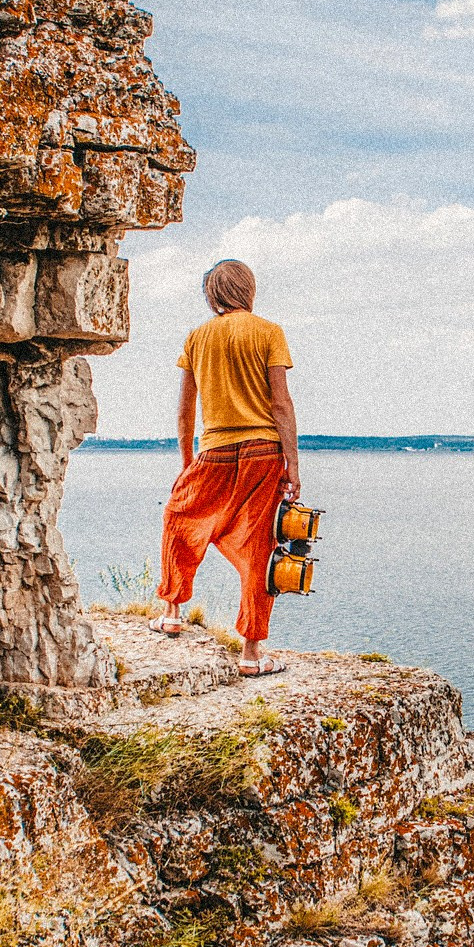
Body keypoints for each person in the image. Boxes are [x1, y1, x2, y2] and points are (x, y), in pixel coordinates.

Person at [151, 259, 299, 678]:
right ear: (248, 290)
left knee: (179, 518)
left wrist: (186, 462)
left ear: (212, 295)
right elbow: (281, 404)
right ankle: (251, 655)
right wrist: (293, 463)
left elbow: (185, 410)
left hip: (214, 449)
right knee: (258, 548)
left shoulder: (197, 337)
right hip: (263, 451)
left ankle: (171, 611)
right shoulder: (269, 332)